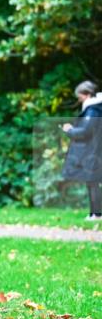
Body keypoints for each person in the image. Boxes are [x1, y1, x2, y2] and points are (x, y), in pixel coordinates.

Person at [61, 81, 102, 220]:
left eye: (80, 95)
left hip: (92, 151)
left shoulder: (93, 110)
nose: (78, 98)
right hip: (93, 150)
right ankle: (94, 213)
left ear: (87, 94)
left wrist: (70, 130)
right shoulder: (93, 109)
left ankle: (96, 214)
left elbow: (86, 131)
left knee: (93, 182)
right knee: (92, 182)